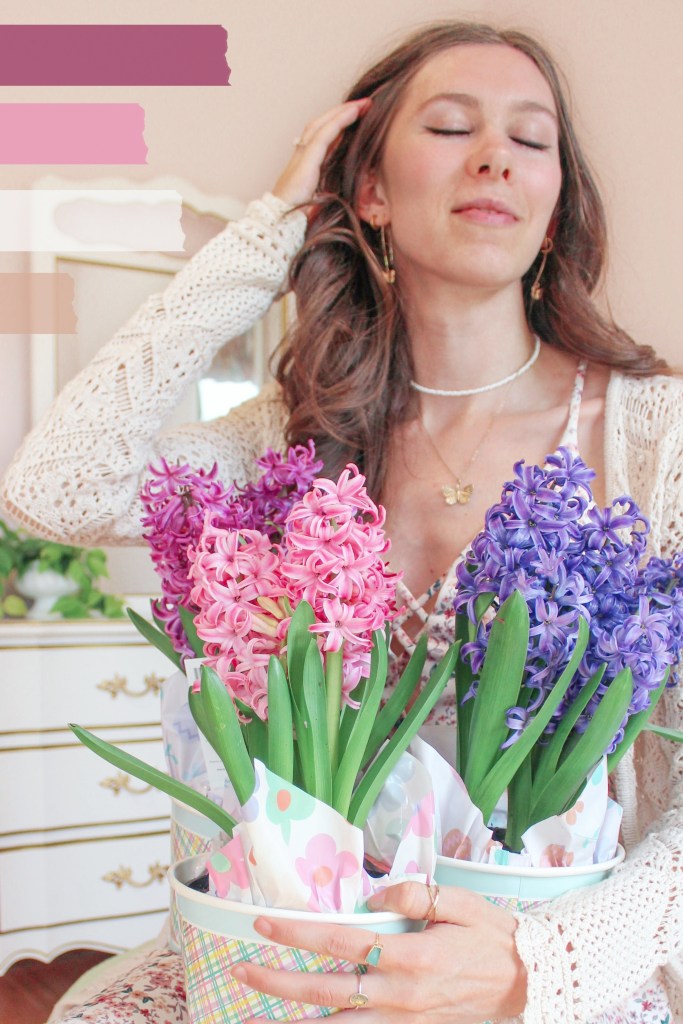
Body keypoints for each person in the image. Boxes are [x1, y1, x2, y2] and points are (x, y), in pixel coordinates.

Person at [2, 20, 682, 1024]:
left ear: (552, 209)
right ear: (368, 193)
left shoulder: (656, 443)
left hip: (547, 972)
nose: (494, 156)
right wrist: (268, 232)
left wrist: (533, 968)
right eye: (449, 127)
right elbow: (54, 489)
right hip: (295, 961)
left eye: (529, 139)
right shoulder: (285, 442)